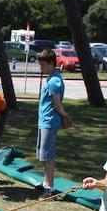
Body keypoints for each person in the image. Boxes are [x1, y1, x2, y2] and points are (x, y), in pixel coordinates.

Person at [35, 48, 74, 195]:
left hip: (50, 122)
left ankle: (50, 188)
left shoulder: (54, 81)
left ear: (51, 63)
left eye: (43, 65)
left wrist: (65, 116)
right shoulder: (51, 78)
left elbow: (57, 104)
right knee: (42, 154)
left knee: (47, 156)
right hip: (44, 121)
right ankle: (46, 182)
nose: (41, 68)